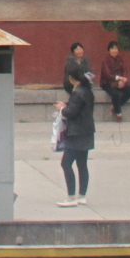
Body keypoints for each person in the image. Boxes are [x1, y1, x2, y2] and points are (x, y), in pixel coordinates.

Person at [56, 66, 97, 206]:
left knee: (66, 163)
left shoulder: (77, 92)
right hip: (87, 131)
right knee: (82, 164)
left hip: (76, 133)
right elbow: (81, 108)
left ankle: (71, 196)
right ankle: (82, 196)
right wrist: (67, 105)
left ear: (71, 78)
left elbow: (71, 112)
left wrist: (62, 108)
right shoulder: (87, 91)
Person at [98, 42, 130, 122]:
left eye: (116, 48)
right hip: (107, 82)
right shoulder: (105, 60)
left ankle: (116, 106)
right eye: (113, 48)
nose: (115, 50)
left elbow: (124, 70)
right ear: (109, 50)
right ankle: (119, 114)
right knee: (115, 94)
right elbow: (108, 74)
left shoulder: (120, 59)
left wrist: (123, 80)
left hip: (119, 81)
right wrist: (119, 79)